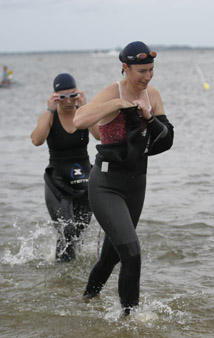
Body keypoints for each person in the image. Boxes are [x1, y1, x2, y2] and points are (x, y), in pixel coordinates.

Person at [73, 41, 174, 314]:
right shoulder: (112, 92)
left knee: (112, 257)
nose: (148, 76)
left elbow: (166, 138)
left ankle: (86, 301)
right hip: (106, 184)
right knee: (132, 253)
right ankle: (131, 321)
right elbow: (79, 121)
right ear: (125, 68)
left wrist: (149, 116)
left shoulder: (152, 94)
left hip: (136, 184)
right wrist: (118, 104)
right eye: (142, 71)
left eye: (151, 70)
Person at [31, 73, 100, 262]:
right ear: (55, 97)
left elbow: (99, 136)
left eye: (72, 95)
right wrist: (48, 110)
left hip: (84, 181)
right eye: (62, 97)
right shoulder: (50, 117)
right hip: (57, 182)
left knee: (76, 232)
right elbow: (36, 140)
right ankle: (62, 275)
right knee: (65, 229)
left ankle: (68, 279)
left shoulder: (83, 112)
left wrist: (86, 107)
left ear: (77, 93)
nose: (68, 101)